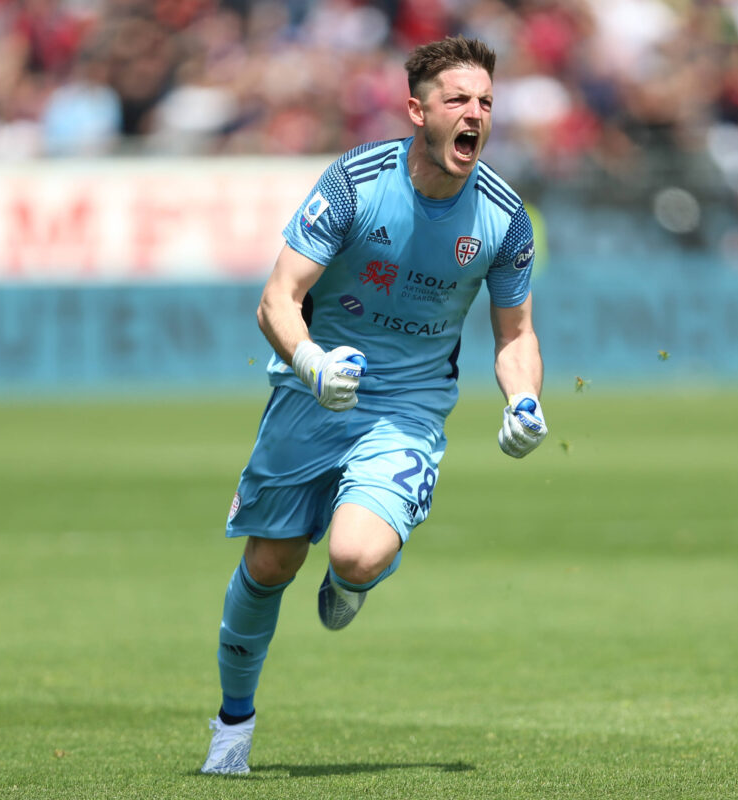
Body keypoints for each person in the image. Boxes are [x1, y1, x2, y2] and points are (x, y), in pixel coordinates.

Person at [200, 35, 547, 776]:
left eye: (486, 101)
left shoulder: (503, 217)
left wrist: (523, 401)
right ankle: (232, 725)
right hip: (312, 388)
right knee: (269, 564)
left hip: (407, 407)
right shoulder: (354, 183)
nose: (476, 114)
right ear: (417, 109)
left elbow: (515, 333)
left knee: (356, 551)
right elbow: (277, 299)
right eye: (458, 99)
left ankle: (353, 581)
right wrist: (313, 364)